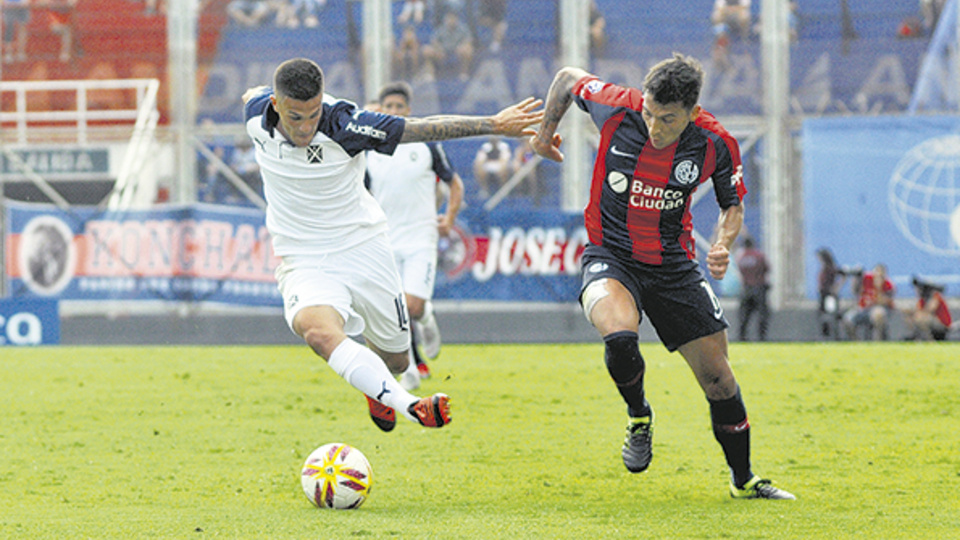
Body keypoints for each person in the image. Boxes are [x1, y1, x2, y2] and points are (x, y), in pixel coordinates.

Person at [529, 54, 794, 500]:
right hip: (610, 254)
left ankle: (744, 480)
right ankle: (639, 416)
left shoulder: (715, 142)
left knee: (720, 381)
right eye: (650, 113)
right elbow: (567, 78)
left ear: (692, 112)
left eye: (667, 119)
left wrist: (724, 242)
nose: (653, 126)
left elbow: (733, 204)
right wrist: (542, 134)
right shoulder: (617, 106)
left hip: (672, 265)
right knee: (618, 335)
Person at [241, 58, 542, 432]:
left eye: (312, 114)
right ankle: (411, 404)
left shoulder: (345, 123)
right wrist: (254, 92)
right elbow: (251, 94)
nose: (305, 127)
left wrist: (493, 124)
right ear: (275, 105)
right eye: (294, 116)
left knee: (396, 359)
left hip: (363, 247)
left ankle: (377, 385)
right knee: (316, 331)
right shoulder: (256, 114)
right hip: (302, 256)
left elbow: (422, 128)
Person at [366, 81, 465, 390]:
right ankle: (408, 372)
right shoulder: (368, 149)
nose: (394, 112)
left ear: (408, 110)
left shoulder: (426, 144)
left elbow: (455, 183)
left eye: (399, 107)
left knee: (413, 307)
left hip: (421, 236)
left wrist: (448, 217)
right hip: (384, 239)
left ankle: (427, 317)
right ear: (381, 110)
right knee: (394, 309)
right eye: (389, 107)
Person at [842, 263, 895, 341]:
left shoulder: (888, 284)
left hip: (879, 308)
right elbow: (855, 291)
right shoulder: (867, 279)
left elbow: (884, 302)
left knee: (878, 314)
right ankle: (856, 342)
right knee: (847, 319)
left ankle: (878, 341)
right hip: (863, 309)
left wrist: (878, 287)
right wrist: (855, 279)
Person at [422, 10, 475, 81]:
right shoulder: (441, 29)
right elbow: (434, 41)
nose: (451, 21)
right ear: (446, 20)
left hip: (457, 50)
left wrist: (462, 46)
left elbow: (469, 40)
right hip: (442, 51)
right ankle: (430, 74)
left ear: (456, 19)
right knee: (427, 50)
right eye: (449, 19)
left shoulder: (463, 28)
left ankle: (463, 73)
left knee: (468, 50)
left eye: (453, 19)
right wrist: (439, 48)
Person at [735, 235, 770, 341]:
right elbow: (767, 268)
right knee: (762, 314)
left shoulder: (741, 257)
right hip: (759, 287)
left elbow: (741, 271)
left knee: (744, 315)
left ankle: (742, 336)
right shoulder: (759, 256)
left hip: (746, 288)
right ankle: (761, 336)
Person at [903, 277, 952, 341]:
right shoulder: (922, 300)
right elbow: (919, 310)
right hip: (933, 324)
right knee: (911, 317)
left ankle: (928, 339)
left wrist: (916, 313)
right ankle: (917, 336)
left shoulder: (936, 297)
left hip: (943, 325)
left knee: (921, 318)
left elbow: (929, 310)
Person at [815, 247, 846, 340]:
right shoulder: (824, 268)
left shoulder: (830, 268)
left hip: (829, 295)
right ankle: (826, 335)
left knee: (830, 315)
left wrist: (836, 287)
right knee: (823, 315)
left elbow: (843, 274)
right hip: (823, 295)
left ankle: (832, 336)